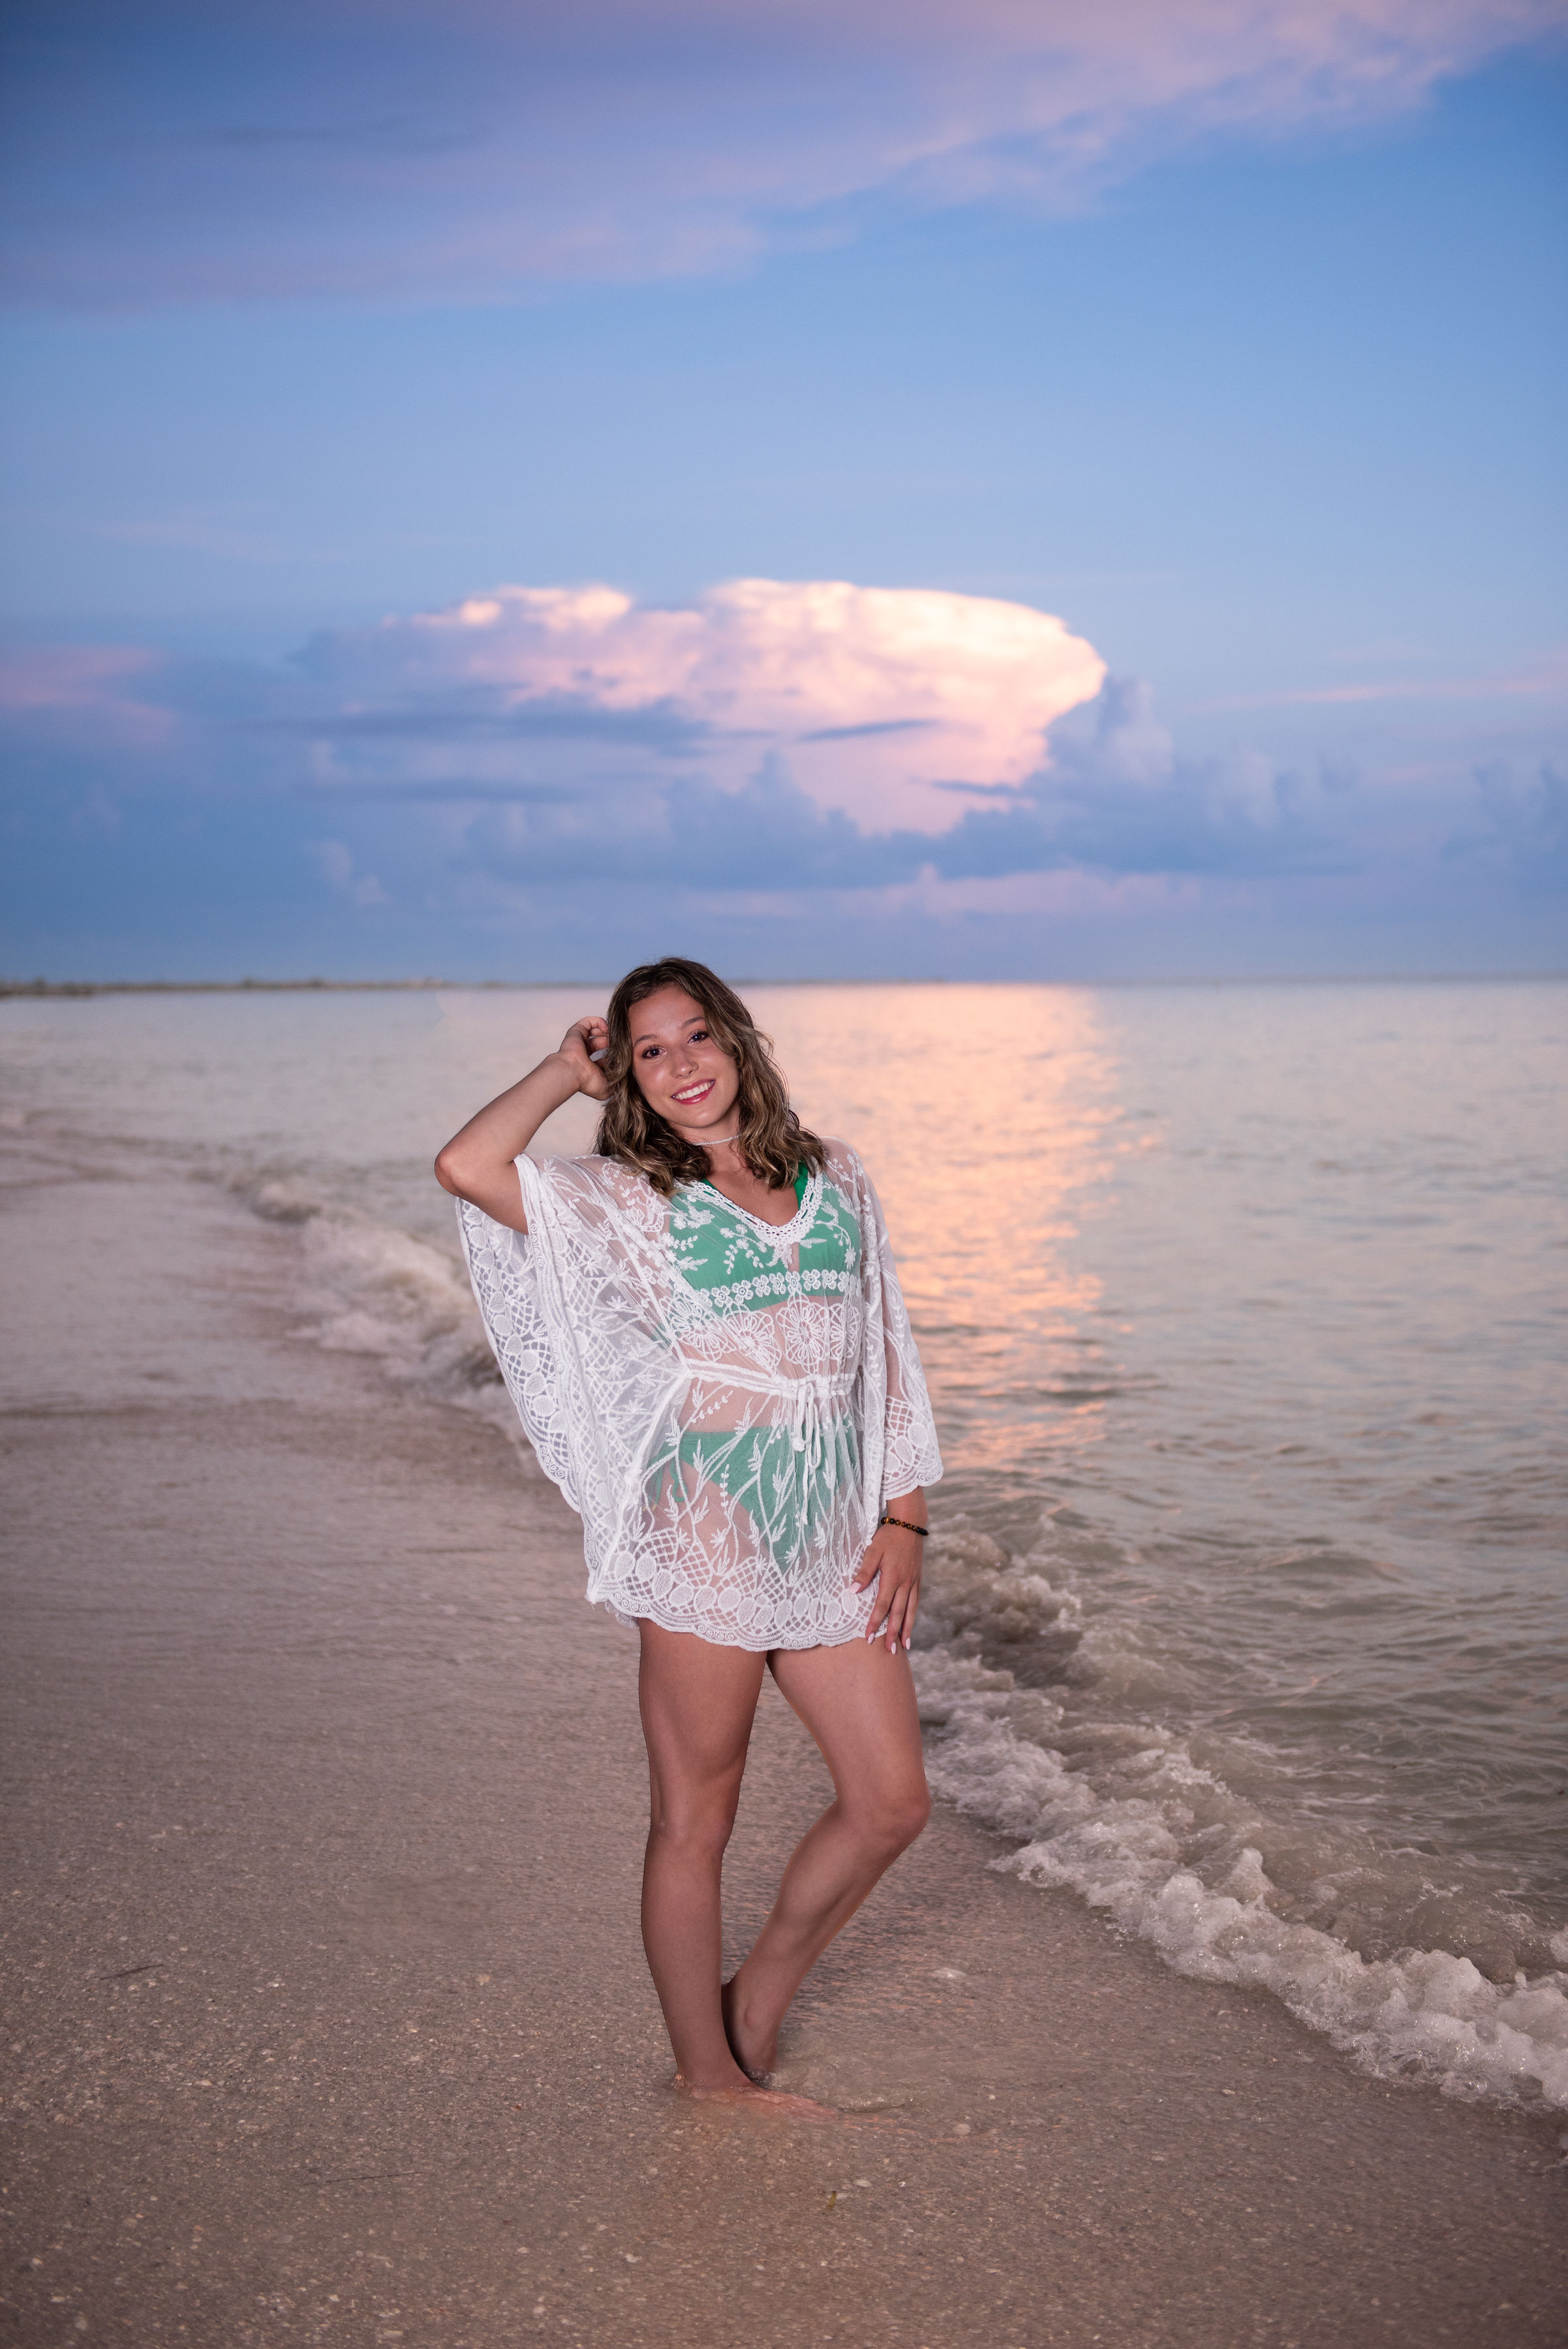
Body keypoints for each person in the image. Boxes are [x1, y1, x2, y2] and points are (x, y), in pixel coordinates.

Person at [434, 957, 942, 2109]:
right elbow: (466, 1167)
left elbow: (889, 1354)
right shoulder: (626, 1202)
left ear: (738, 1040)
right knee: (695, 1822)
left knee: (891, 1803)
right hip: (703, 1545)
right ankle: (706, 2074)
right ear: (631, 1076)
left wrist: (907, 1514)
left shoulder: (836, 1176)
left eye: (695, 1037)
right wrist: (564, 1074)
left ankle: (759, 1994)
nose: (679, 1068)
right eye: (648, 1051)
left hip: (828, 1547)